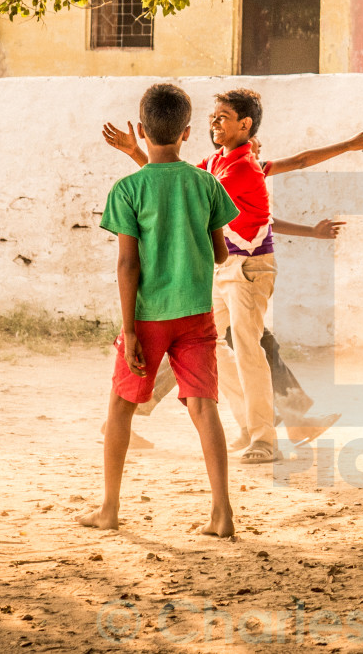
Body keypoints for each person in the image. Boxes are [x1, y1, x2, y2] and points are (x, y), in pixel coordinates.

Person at [101, 117, 363, 453]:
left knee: (227, 344)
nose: (257, 149)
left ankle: (273, 423)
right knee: (226, 344)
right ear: (243, 132)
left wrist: (346, 147)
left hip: (236, 269)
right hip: (229, 269)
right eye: (255, 143)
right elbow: (175, 180)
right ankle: (273, 426)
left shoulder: (241, 170)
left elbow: (295, 168)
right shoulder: (220, 170)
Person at [78, 83, 239, 536]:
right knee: (204, 407)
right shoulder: (206, 182)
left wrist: (128, 331)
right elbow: (221, 254)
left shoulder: (127, 189)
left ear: (142, 129)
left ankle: (109, 509)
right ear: (187, 132)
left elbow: (128, 262)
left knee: (120, 408)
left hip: (148, 316)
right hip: (196, 313)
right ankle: (223, 514)